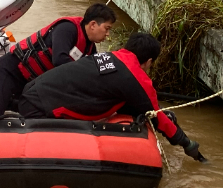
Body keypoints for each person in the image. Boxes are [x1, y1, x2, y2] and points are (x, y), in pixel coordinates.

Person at [18, 32, 205, 161]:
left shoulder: (110, 56)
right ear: (148, 61)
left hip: (31, 91)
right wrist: (187, 143)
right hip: (39, 110)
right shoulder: (137, 79)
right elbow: (159, 118)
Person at [0, 3, 117, 119]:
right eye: (107, 28)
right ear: (93, 25)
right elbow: (59, 60)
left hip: (30, 84)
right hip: (9, 72)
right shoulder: (67, 29)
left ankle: (7, 103)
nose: (108, 34)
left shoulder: (89, 48)